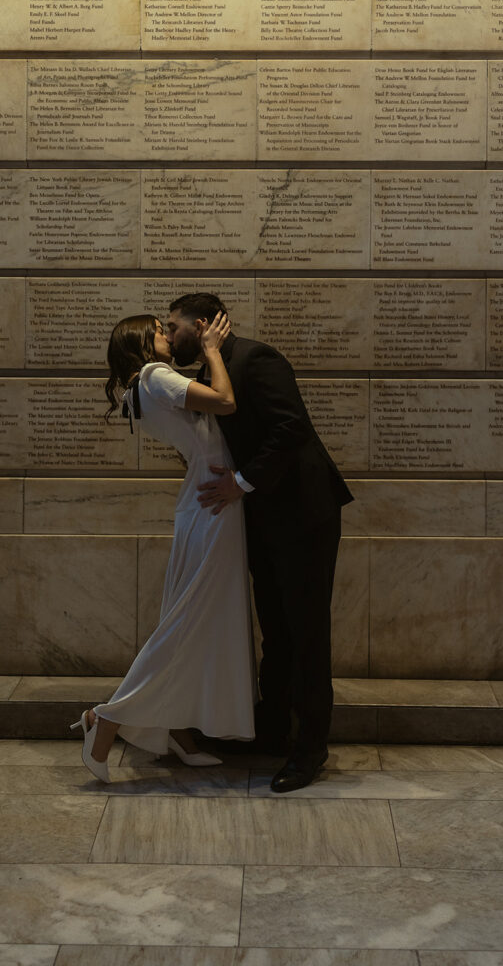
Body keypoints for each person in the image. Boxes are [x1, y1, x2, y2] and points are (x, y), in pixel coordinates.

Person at [166, 293, 353, 793]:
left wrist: (240, 482)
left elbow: (290, 429)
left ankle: (310, 750)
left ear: (201, 323)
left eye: (173, 325)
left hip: (303, 515)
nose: (170, 333)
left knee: (307, 633)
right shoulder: (212, 371)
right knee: (276, 631)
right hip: (265, 518)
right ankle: (272, 733)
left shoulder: (255, 358)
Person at [71, 311, 255, 782]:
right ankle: (106, 719)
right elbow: (226, 402)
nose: (169, 336)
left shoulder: (139, 390)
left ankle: (176, 732)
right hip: (213, 508)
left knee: (194, 619)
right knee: (187, 621)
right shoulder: (155, 376)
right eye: (160, 329)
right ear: (141, 340)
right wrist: (213, 351)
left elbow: (189, 444)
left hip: (203, 500)